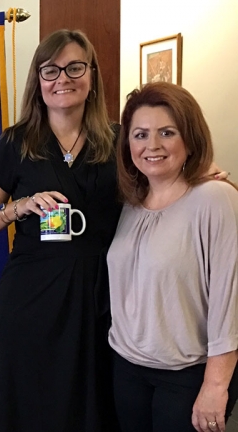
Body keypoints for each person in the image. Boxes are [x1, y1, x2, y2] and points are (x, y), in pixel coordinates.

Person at [0, 29, 121, 431]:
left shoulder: (119, 140)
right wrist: (18, 207)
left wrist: (202, 177)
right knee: (30, 402)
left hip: (97, 294)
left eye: (75, 67)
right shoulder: (17, 142)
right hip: (30, 295)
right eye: (50, 70)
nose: (62, 78)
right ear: (38, 81)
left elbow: (161, 183)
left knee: (91, 402)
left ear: (92, 77)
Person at [108, 82, 238, 432]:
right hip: (126, 367)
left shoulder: (215, 199)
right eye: (140, 134)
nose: (152, 145)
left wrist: (215, 387)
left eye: (167, 132)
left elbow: (230, 302)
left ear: (190, 138)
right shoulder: (131, 202)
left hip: (186, 376)